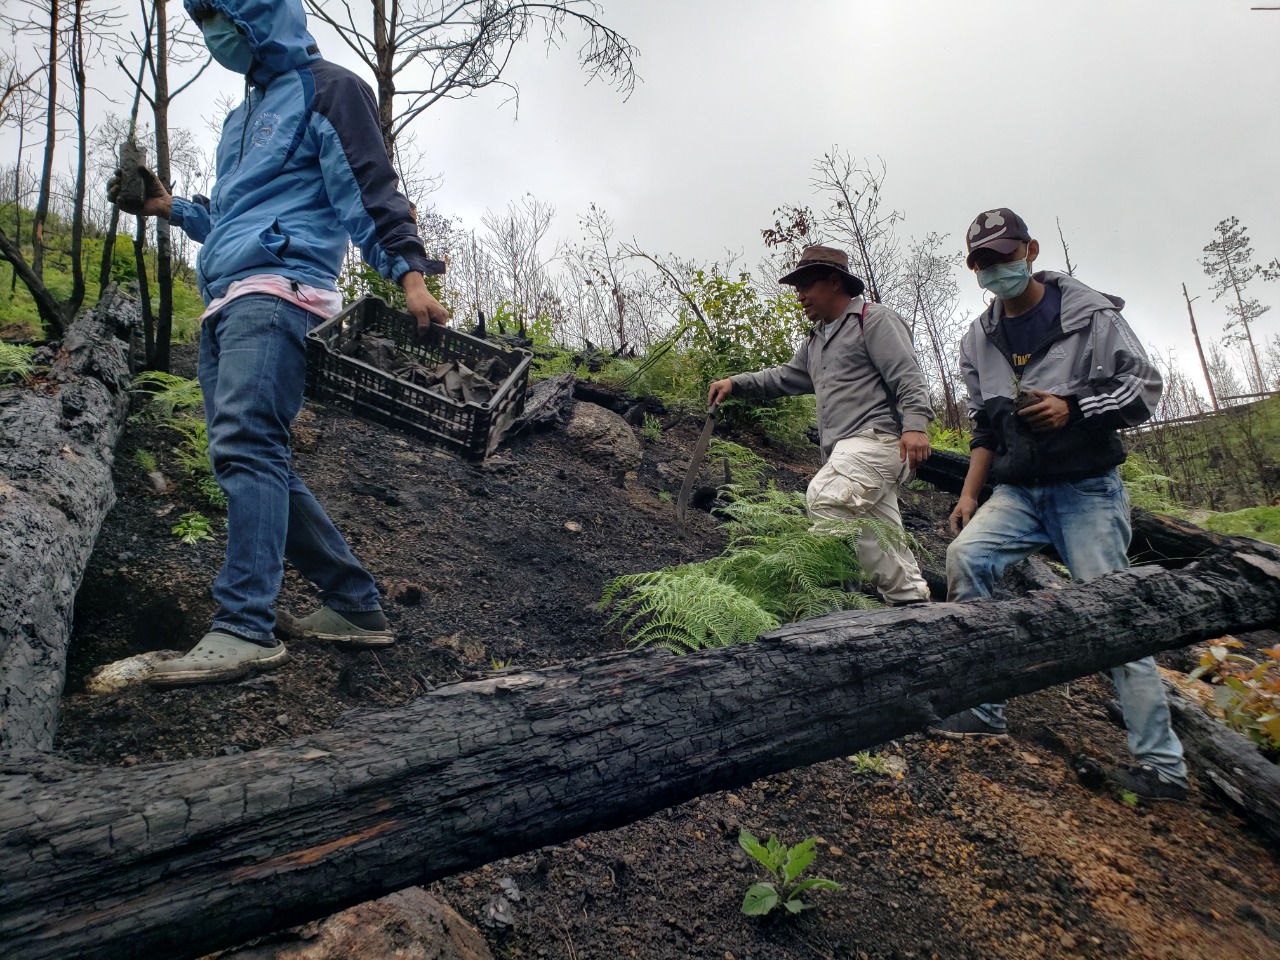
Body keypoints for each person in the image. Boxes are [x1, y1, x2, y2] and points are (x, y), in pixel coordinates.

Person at [109, 0, 448, 686]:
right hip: (228, 302)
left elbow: (369, 187)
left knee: (246, 446)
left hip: (280, 293)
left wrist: (409, 273)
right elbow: (233, 216)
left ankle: (244, 627)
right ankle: (355, 606)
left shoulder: (330, 88)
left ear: (261, 14)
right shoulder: (242, 119)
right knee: (253, 454)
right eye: (201, 21)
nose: (213, 35)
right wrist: (169, 207)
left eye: (221, 16)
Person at [933, 207, 1189, 801]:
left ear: (1031, 249)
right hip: (1018, 490)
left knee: (1116, 612)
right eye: (983, 262)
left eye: (1004, 255)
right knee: (967, 559)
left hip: (1087, 489)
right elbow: (983, 425)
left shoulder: (1089, 314)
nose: (997, 269)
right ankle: (984, 709)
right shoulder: (980, 338)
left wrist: (1073, 408)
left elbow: (1144, 387)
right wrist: (971, 493)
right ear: (974, 269)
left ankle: (1162, 766)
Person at [707, 245, 934, 605]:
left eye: (806, 285)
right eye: (797, 288)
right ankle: (914, 606)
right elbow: (785, 377)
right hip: (844, 452)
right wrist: (737, 383)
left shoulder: (873, 320)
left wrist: (916, 426)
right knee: (881, 535)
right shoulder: (816, 340)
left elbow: (908, 377)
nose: (799, 296)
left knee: (826, 499)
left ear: (834, 282)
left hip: (879, 440)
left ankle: (827, 601)